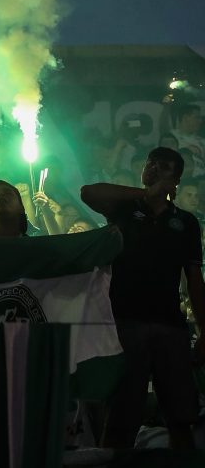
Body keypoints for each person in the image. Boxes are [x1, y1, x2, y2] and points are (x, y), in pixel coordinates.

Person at [81, 147, 205, 449]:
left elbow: (194, 281)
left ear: (175, 179)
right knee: (122, 414)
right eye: (150, 163)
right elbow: (88, 192)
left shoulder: (186, 222)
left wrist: (204, 330)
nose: (152, 168)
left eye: (163, 167)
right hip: (125, 323)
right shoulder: (124, 209)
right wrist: (146, 193)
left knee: (180, 416)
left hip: (170, 326)